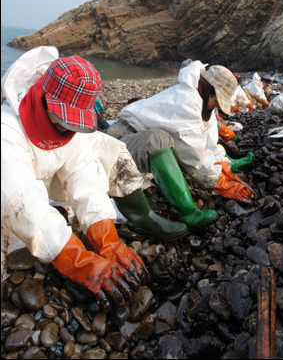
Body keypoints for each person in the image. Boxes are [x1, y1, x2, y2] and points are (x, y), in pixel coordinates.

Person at [1, 46, 187, 312]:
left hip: (40, 181)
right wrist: (81, 263)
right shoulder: (7, 128)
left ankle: (135, 216)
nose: (68, 128)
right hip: (8, 192)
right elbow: (20, 201)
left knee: (106, 153)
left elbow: (86, 177)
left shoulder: (69, 132)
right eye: (63, 119)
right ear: (44, 97)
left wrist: (108, 242)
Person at [106, 61, 257, 233]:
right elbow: (193, 152)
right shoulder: (186, 101)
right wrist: (220, 182)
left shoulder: (202, 99)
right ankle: (188, 212)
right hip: (122, 136)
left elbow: (207, 140)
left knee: (168, 141)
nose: (217, 105)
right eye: (217, 99)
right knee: (157, 140)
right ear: (209, 88)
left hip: (141, 135)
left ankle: (218, 168)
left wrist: (224, 165)